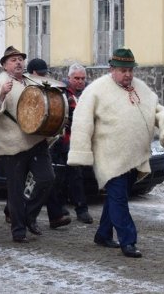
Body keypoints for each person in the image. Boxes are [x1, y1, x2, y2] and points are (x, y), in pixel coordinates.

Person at [67, 48, 164, 258]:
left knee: (117, 197)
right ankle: (128, 241)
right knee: (119, 198)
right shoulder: (96, 90)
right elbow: (81, 121)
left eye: (130, 70)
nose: (127, 74)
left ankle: (102, 234)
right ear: (112, 69)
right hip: (108, 155)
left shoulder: (140, 88)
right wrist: (80, 152)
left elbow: (158, 109)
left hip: (135, 156)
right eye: (123, 70)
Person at [0, 46, 68, 243]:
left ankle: (29, 215)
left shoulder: (31, 80)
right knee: (16, 190)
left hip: (36, 140)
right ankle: (18, 231)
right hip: (12, 145)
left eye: (20, 59)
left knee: (47, 178)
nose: (18, 62)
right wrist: (1, 94)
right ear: (4, 65)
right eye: (13, 60)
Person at [25, 58, 73, 230]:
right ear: (32, 73)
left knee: (46, 178)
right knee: (25, 181)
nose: (44, 76)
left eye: (46, 72)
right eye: (41, 73)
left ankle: (55, 215)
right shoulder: (25, 88)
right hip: (23, 141)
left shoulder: (48, 88)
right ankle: (14, 212)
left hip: (43, 140)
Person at [49, 63, 93, 224]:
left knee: (76, 177)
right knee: (58, 177)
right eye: (76, 78)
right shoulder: (61, 92)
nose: (80, 81)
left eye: (82, 78)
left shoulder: (88, 94)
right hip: (61, 140)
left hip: (78, 142)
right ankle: (59, 209)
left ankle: (82, 209)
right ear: (69, 78)